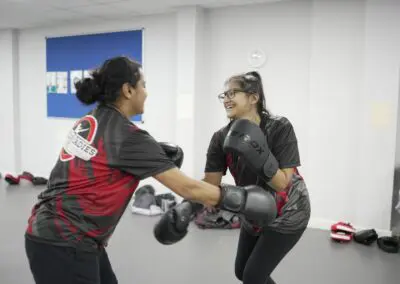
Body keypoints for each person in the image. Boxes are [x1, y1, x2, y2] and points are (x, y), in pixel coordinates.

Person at [24, 56, 278, 284]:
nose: (146, 92)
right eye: (143, 85)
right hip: (66, 242)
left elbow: (102, 160)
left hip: (58, 234)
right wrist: (241, 200)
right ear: (127, 90)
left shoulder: (92, 118)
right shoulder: (129, 136)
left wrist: (153, 152)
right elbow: (186, 187)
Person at [203, 71, 311, 284]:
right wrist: (188, 204)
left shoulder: (279, 127)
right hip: (254, 209)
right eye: (223, 95)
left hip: (289, 211)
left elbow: (282, 183)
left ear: (253, 97)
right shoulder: (220, 137)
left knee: (253, 276)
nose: (226, 99)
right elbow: (211, 183)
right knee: (242, 271)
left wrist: (255, 150)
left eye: (232, 93)